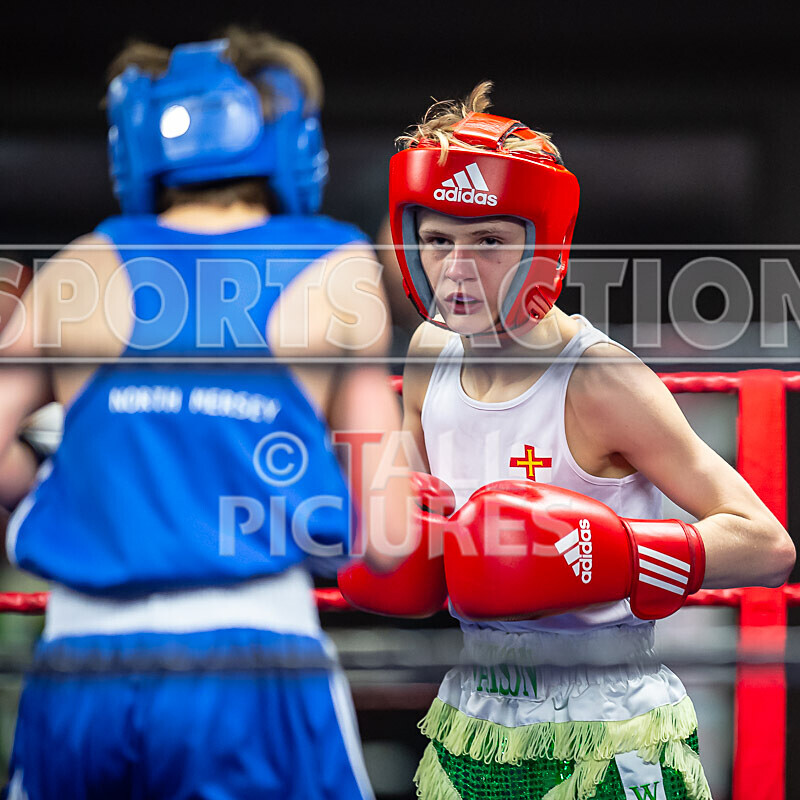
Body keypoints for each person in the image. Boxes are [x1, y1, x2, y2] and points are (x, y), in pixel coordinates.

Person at [340, 83, 795, 800]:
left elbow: (769, 546)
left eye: (488, 241)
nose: (457, 270)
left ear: (542, 243)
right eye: (437, 241)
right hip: (472, 719)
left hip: (613, 727)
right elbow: (413, 516)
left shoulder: (599, 379)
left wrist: (617, 555)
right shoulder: (430, 351)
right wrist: (394, 528)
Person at [0, 28, 414, 800]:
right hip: (253, 660)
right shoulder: (340, 265)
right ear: (291, 137)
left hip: (80, 660)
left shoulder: (78, 265)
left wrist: (52, 488)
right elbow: (391, 538)